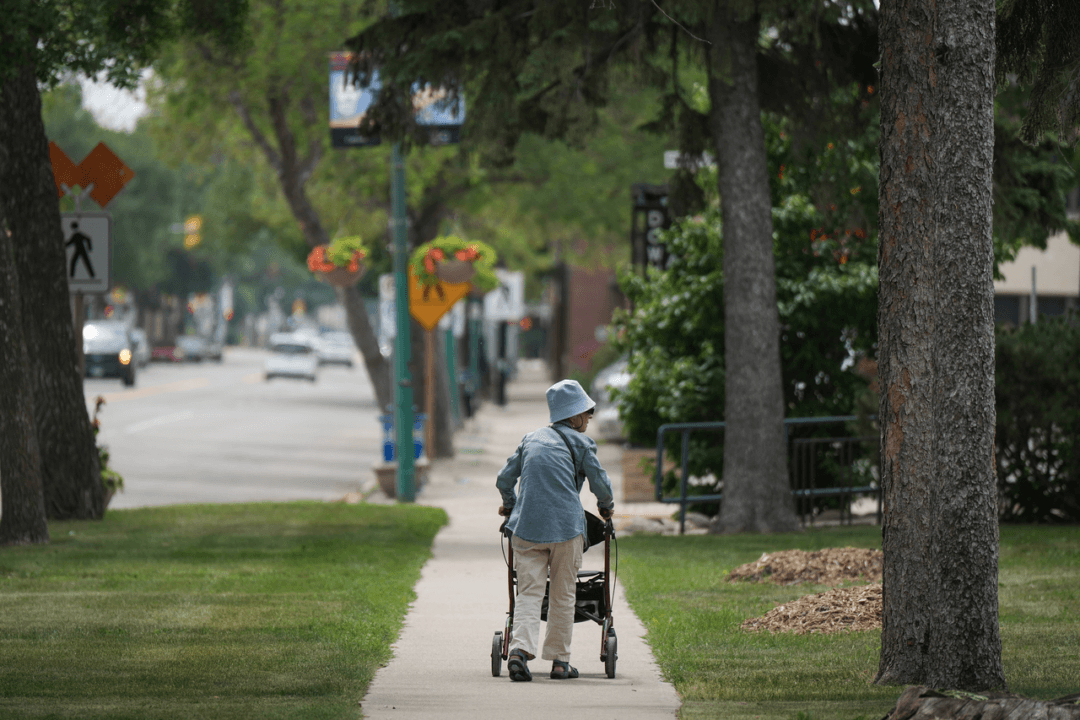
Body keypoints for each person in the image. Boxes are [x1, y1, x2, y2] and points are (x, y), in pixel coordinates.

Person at [496, 379, 615, 682]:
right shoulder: (583, 444)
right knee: (564, 594)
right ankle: (560, 663)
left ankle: (519, 652)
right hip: (566, 529)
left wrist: (509, 505)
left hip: (526, 528)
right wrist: (606, 507)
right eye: (587, 412)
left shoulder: (531, 439)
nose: (589, 417)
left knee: (528, 592)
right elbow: (600, 482)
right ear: (574, 416)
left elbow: (504, 479)